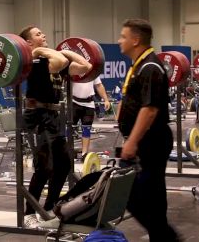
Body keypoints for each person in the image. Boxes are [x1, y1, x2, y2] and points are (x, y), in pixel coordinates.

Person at [19, 26, 92, 228]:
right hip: (36, 116)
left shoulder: (52, 61)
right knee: (44, 167)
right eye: (38, 34)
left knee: (64, 164)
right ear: (28, 42)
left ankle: (49, 208)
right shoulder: (36, 61)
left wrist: (63, 50)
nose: (43, 35)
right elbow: (59, 61)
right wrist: (38, 51)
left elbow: (85, 66)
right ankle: (28, 214)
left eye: (43, 32)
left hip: (53, 116)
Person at [117, 19, 182, 241]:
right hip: (147, 139)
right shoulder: (141, 66)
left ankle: (166, 236)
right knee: (153, 195)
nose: (119, 40)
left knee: (131, 195)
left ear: (136, 40)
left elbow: (150, 110)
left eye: (123, 36)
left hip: (150, 140)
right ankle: (161, 236)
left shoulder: (150, 67)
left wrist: (132, 142)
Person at [72, 77, 111, 160]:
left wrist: (106, 99)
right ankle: (68, 152)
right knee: (70, 129)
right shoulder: (73, 68)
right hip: (74, 103)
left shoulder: (92, 69)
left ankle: (84, 153)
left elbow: (99, 85)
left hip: (88, 104)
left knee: (86, 130)